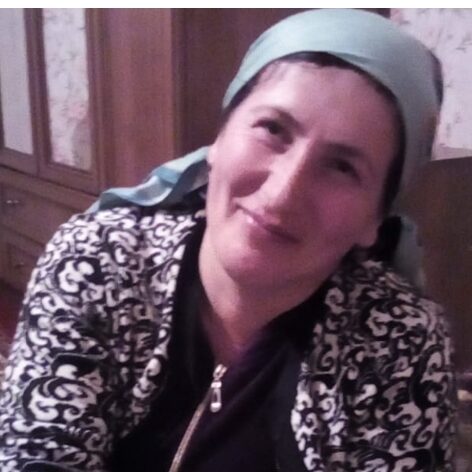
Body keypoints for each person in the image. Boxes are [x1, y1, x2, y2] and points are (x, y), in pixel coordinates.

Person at [0, 9, 456, 472]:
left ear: (375, 219)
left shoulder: (401, 340)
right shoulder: (98, 262)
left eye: (342, 166)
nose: (282, 194)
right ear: (218, 139)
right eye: (273, 129)